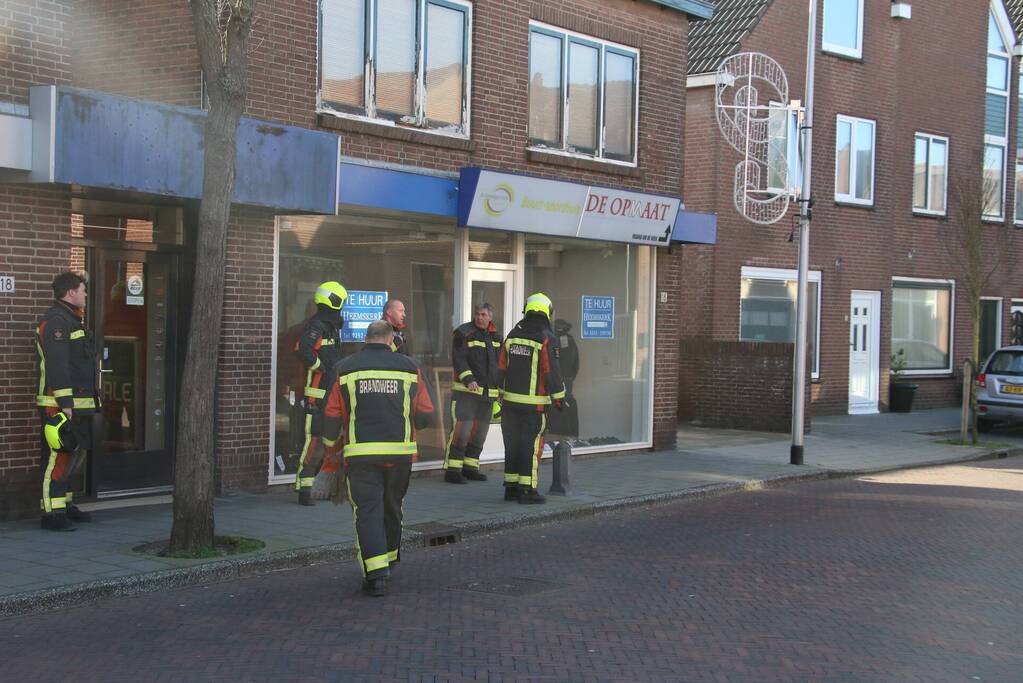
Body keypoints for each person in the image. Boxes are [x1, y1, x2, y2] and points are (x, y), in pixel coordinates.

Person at [321, 320, 434, 597]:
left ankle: (376, 576)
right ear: (390, 339)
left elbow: (331, 416)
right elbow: (425, 415)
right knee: (393, 506)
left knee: (368, 511)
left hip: (361, 455)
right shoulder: (410, 367)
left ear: (366, 338)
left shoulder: (345, 368)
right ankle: (390, 560)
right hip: (400, 454)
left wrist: (330, 449)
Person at [35, 271, 100, 531]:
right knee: (58, 457)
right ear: (70, 292)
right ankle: (52, 514)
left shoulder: (72, 320)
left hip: (78, 402)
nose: (85, 295)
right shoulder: (57, 323)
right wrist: (66, 403)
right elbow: (58, 367)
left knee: (73, 454)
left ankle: (65, 504)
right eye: (83, 290)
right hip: (59, 403)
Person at [497, 292, 566, 504]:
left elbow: (500, 368)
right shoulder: (546, 336)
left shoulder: (512, 334)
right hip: (534, 406)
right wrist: (559, 399)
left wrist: (498, 395)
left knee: (512, 445)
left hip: (509, 404)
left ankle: (511, 488)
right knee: (530, 445)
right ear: (548, 311)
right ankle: (527, 490)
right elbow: (551, 371)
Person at [293, 281, 348, 506]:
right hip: (317, 394)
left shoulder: (331, 325)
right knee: (313, 441)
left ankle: (321, 487)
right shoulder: (317, 324)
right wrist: (321, 367)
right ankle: (304, 489)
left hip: (331, 392)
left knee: (330, 440)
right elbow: (303, 349)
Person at [443, 303, 502, 484]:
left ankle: (470, 468)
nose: (479, 317)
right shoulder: (463, 333)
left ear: (490, 317)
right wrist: (469, 380)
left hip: (488, 394)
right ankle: (453, 470)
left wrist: (501, 390)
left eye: (483, 314)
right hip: (466, 393)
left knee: (480, 433)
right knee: (462, 431)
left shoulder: (497, 337)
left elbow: (501, 365)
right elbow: (459, 359)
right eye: (477, 314)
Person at [547, 318, 580, 438]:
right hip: (565, 380)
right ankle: (562, 436)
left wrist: (565, 378)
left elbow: (571, 363)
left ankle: (561, 436)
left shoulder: (559, 340)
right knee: (562, 405)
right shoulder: (566, 340)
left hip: (562, 380)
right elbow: (575, 364)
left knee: (560, 406)